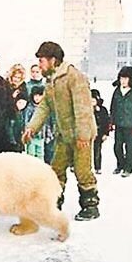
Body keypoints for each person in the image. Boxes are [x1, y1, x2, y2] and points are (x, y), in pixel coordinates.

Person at [23, 41, 100, 221]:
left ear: (53, 60)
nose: (39, 65)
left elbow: (83, 108)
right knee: (55, 170)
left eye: (42, 61)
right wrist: (31, 128)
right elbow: (44, 106)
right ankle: (53, 203)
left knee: (82, 171)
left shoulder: (74, 77)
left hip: (81, 135)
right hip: (63, 135)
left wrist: (83, 135)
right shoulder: (51, 81)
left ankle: (90, 206)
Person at [110, 66, 132, 177]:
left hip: (131, 126)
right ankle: (120, 164)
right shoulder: (117, 92)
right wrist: (111, 121)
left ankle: (128, 167)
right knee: (117, 147)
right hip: (119, 125)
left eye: (126, 78)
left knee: (130, 148)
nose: (123, 81)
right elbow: (113, 108)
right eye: (121, 78)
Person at [22, 85, 47, 161]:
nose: (37, 98)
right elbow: (26, 121)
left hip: (41, 136)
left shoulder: (45, 108)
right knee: (31, 155)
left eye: (40, 95)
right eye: (35, 95)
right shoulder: (29, 108)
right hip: (31, 136)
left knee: (40, 155)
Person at [91, 89, 110, 175]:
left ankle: (97, 167)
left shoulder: (103, 110)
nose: (92, 102)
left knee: (97, 151)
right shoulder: (85, 109)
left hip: (99, 134)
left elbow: (106, 122)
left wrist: (106, 133)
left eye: (94, 100)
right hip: (88, 134)